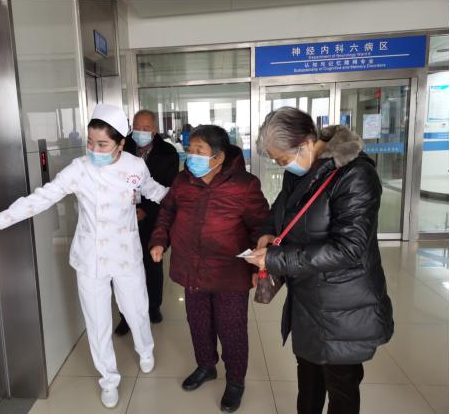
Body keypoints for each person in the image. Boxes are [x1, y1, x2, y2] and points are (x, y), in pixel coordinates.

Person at [0, 104, 168, 409]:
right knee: (97, 322)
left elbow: (155, 191)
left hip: (126, 254)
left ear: (121, 143)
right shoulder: (78, 169)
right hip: (90, 257)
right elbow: (42, 197)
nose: (94, 150)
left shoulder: (135, 166)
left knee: (136, 310)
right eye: (90, 142)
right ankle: (108, 379)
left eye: (102, 144)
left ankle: (145, 350)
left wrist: (191, 202)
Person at [245, 107, 394, 414]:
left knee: (341, 387)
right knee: (309, 378)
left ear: (306, 143)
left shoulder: (355, 175)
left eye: (282, 159)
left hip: (344, 305)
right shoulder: (299, 171)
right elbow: (282, 210)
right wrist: (267, 232)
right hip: (308, 297)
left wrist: (276, 258)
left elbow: (349, 248)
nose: (282, 166)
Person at [149, 125, 269, 413]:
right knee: (199, 323)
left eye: (198, 151)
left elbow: (261, 226)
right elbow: (167, 212)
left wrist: (260, 266)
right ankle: (206, 366)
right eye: (189, 149)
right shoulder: (183, 180)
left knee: (232, 329)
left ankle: (236, 381)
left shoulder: (245, 185)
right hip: (191, 267)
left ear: (219, 156)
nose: (191, 156)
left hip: (230, 272)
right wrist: (159, 240)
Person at [113, 110, 179, 336]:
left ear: (155, 130)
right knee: (124, 268)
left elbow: (166, 189)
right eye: (137, 127)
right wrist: (128, 209)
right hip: (123, 217)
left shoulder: (168, 152)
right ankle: (125, 316)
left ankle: (153, 307)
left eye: (146, 128)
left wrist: (147, 211)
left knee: (152, 264)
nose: (141, 132)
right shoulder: (121, 148)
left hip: (153, 218)